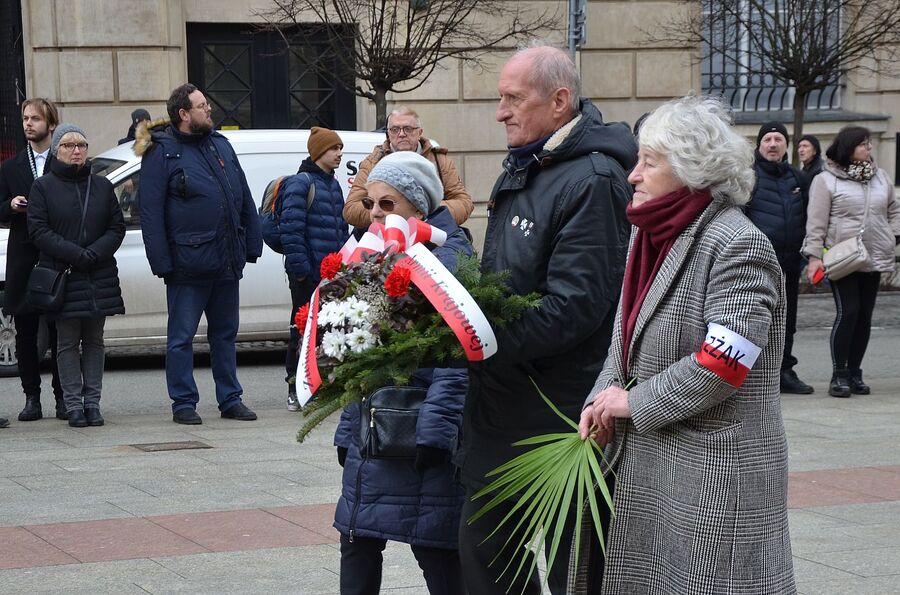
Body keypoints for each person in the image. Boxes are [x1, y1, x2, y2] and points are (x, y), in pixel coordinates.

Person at [577, 95, 795, 593]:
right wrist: (604, 393)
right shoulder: (652, 235)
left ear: (694, 171)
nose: (633, 175)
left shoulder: (738, 244)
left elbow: (723, 363)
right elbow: (625, 332)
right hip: (655, 464)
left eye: (649, 163)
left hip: (714, 479)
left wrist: (631, 402)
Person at [456, 45, 636, 595]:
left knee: (570, 574)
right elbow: (506, 285)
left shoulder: (593, 180)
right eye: (499, 98)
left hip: (554, 420)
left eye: (513, 99)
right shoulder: (531, 163)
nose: (500, 112)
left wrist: (476, 339)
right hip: (500, 408)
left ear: (560, 101)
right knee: (485, 563)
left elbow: (575, 308)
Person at [333, 151, 471, 595]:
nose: (374, 213)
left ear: (418, 205)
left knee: (435, 549)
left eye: (387, 204)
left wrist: (436, 432)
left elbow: (458, 356)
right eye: (371, 203)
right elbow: (359, 354)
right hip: (372, 433)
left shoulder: (448, 259)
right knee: (356, 542)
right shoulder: (370, 255)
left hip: (419, 434)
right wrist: (346, 428)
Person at [136, 83, 263, 425]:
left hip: (226, 259)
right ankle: (183, 402)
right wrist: (161, 262)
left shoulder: (220, 145)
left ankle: (230, 398)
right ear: (183, 114)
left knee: (224, 334)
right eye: (202, 105)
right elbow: (150, 212)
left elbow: (243, 197)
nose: (209, 109)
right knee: (181, 338)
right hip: (187, 264)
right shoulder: (161, 152)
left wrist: (253, 242)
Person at [27, 124, 126, 428]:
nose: (76, 151)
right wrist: (75, 254)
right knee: (67, 342)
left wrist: (94, 253)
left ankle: (93, 404)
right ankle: (73, 405)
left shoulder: (102, 186)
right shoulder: (43, 187)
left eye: (81, 145)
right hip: (64, 274)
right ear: (56, 150)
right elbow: (39, 231)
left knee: (95, 340)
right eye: (68, 145)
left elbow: (116, 227)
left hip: (98, 274)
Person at [802, 127, 900, 397]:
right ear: (848, 148)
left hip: (875, 254)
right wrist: (814, 257)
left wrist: (893, 235)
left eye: (870, 145)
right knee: (849, 312)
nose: (869, 149)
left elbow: (894, 209)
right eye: (863, 145)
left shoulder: (880, 177)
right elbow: (816, 222)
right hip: (842, 257)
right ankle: (839, 374)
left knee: (864, 317)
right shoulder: (826, 180)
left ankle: (856, 373)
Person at [0, 97, 65, 422]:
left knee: (59, 333)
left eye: (35, 119)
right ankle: (31, 398)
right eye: (25, 118)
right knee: (26, 332)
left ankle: (63, 398)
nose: (28, 124)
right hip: (24, 258)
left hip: (56, 256)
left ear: (50, 124)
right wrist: (10, 204)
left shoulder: (64, 160)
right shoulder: (11, 167)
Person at [280, 127, 350, 411]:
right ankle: (295, 387)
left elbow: (340, 227)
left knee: (326, 330)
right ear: (319, 152)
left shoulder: (333, 184)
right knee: (301, 331)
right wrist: (302, 272)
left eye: (340, 148)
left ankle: (319, 385)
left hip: (330, 274)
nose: (340, 153)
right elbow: (292, 232)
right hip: (308, 275)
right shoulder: (301, 183)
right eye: (334, 149)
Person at [745, 121, 814, 394]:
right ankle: (753, 375)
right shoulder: (748, 177)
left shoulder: (797, 178)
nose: (773, 144)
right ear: (759, 145)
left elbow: (810, 217)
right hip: (756, 266)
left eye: (778, 139)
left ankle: (784, 370)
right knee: (754, 319)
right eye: (767, 140)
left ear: (787, 145)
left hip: (789, 265)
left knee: (787, 320)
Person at [343, 106, 473, 228]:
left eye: (408, 129)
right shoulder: (373, 162)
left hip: (432, 242)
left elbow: (464, 204)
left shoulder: (440, 161)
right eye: (395, 129)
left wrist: (426, 208)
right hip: (386, 242)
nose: (401, 134)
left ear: (419, 132)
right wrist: (392, 212)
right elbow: (351, 211)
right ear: (388, 133)